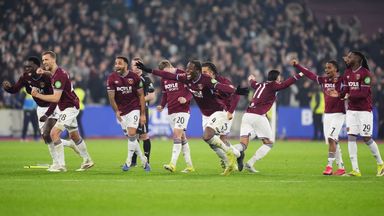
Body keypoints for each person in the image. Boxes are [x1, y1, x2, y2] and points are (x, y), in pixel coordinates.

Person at [136, 60, 249, 176]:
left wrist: (235, 91)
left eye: (190, 69)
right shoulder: (186, 78)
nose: (187, 70)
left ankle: (230, 153)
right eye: (187, 68)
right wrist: (148, 70)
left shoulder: (206, 79)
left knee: (208, 136)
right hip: (205, 114)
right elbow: (168, 75)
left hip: (218, 111)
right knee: (210, 142)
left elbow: (219, 86)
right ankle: (234, 158)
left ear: (197, 71)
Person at [2, 56, 79, 167]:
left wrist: (48, 114)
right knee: (46, 137)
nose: (27, 68)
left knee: (48, 132)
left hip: (54, 106)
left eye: (30, 66)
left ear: (37, 66)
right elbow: (15, 89)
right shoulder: (25, 77)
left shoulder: (46, 76)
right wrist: (8, 88)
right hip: (40, 108)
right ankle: (69, 144)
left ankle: (57, 163)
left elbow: (55, 97)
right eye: (26, 66)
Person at [31, 51, 94, 172]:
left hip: (70, 108)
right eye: (43, 60)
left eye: (46, 60)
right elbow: (52, 75)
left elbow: (55, 98)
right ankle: (87, 160)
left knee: (54, 133)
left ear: (54, 60)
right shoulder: (56, 73)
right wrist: (44, 72)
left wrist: (38, 95)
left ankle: (61, 165)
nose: (44, 62)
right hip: (67, 107)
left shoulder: (59, 76)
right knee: (74, 136)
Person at [235, 69, 303, 173]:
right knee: (268, 143)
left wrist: (251, 79)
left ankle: (228, 150)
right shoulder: (273, 85)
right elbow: (286, 84)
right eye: (279, 77)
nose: (280, 79)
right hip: (258, 116)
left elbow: (253, 83)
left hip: (247, 115)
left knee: (243, 144)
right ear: (276, 78)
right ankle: (250, 163)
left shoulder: (260, 85)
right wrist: (300, 74)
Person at [329, 51, 384, 176]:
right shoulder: (347, 73)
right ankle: (355, 170)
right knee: (351, 137)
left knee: (366, 138)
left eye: (350, 56)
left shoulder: (366, 73)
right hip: (352, 110)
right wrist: (339, 94)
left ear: (357, 59)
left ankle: (381, 164)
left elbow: (363, 94)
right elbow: (346, 89)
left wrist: (348, 95)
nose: (347, 58)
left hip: (364, 110)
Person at [292, 59, 346, 175]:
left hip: (339, 114)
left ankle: (329, 166)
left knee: (332, 138)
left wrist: (342, 95)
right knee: (332, 141)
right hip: (327, 115)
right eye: (326, 68)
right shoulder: (324, 80)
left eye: (329, 67)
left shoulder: (342, 80)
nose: (326, 70)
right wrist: (297, 66)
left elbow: (349, 92)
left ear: (336, 69)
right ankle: (341, 167)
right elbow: (309, 74)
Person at [107, 56, 150, 172]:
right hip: (121, 111)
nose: (117, 66)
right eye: (115, 63)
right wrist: (116, 111)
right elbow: (111, 98)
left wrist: (142, 114)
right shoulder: (111, 78)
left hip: (134, 108)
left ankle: (128, 161)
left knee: (132, 133)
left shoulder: (135, 77)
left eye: (119, 63)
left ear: (125, 65)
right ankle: (144, 160)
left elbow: (141, 96)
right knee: (131, 138)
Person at [201, 62, 242, 170]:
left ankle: (229, 161)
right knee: (211, 140)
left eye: (204, 72)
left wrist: (230, 111)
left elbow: (237, 95)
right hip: (215, 112)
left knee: (221, 139)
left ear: (212, 72)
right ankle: (237, 154)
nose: (202, 74)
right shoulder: (206, 82)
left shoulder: (223, 82)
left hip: (227, 112)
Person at [157, 60, 194, 173]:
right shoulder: (164, 78)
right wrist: (162, 105)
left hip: (183, 110)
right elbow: (165, 94)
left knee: (176, 135)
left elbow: (192, 90)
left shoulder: (182, 74)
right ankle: (190, 166)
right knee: (182, 138)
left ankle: (172, 164)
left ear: (170, 66)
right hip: (171, 111)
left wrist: (185, 99)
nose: (165, 75)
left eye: (166, 72)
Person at [130, 57, 155, 167]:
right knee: (133, 136)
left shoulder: (146, 79)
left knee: (144, 136)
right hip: (131, 111)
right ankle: (133, 162)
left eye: (138, 65)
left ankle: (147, 161)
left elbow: (151, 95)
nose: (136, 67)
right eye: (134, 65)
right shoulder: (128, 79)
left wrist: (139, 100)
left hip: (142, 111)